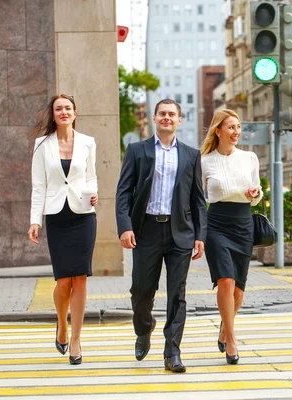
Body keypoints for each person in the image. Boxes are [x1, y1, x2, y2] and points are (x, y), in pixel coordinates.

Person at [115, 99, 207, 373]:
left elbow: (198, 200)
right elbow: (123, 192)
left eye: (172, 114)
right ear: (154, 118)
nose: (167, 118)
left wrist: (200, 235)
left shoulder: (192, 155)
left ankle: (172, 352)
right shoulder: (137, 151)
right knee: (142, 291)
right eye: (162, 114)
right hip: (146, 231)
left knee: (177, 294)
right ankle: (143, 329)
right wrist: (125, 226)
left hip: (181, 232)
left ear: (179, 120)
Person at [28, 94, 98, 366]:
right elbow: (38, 185)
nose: (64, 112)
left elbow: (91, 176)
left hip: (83, 216)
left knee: (80, 278)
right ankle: (61, 323)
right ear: (53, 114)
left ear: (75, 112)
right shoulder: (41, 145)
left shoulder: (88, 142)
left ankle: (77, 339)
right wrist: (35, 221)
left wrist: (94, 194)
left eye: (68, 108)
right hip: (56, 216)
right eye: (59, 109)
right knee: (63, 282)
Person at [200, 109, 263, 365]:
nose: (236, 132)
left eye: (238, 127)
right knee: (225, 280)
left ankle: (225, 328)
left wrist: (254, 193)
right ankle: (233, 341)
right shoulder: (204, 161)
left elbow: (257, 194)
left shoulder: (249, 157)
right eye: (231, 127)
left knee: (238, 290)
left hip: (243, 223)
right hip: (216, 224)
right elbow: (196, 198)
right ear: (218, 130)